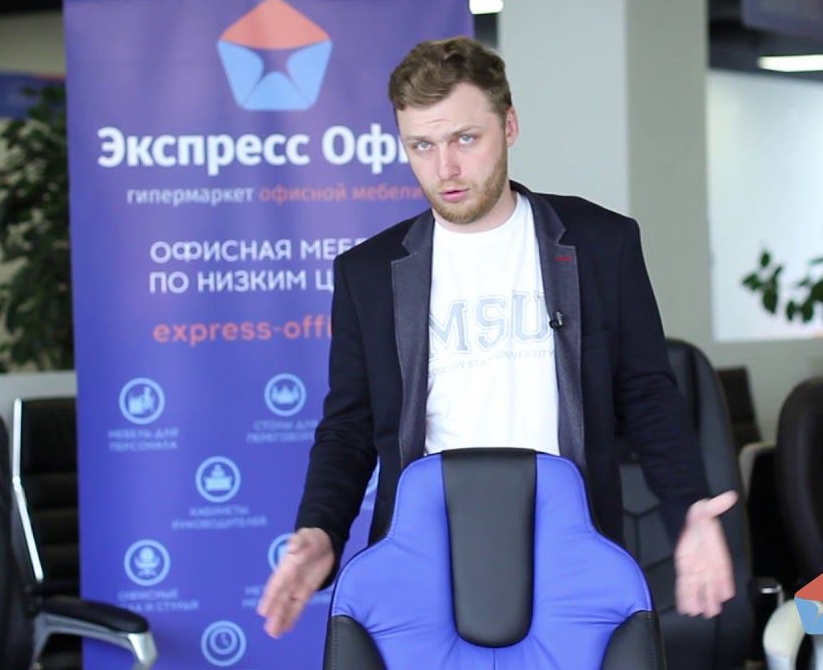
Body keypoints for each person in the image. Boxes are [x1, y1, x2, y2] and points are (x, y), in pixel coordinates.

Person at [257, 36, 736, 638]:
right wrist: (320, 530)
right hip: (426, 559)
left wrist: (689, 508)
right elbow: (349, 427)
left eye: (465, 139)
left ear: (508, 126)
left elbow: (647, 395)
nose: (445, 169)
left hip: (572, 551)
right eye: (422, 146)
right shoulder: (368, 274)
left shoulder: (599, 243)